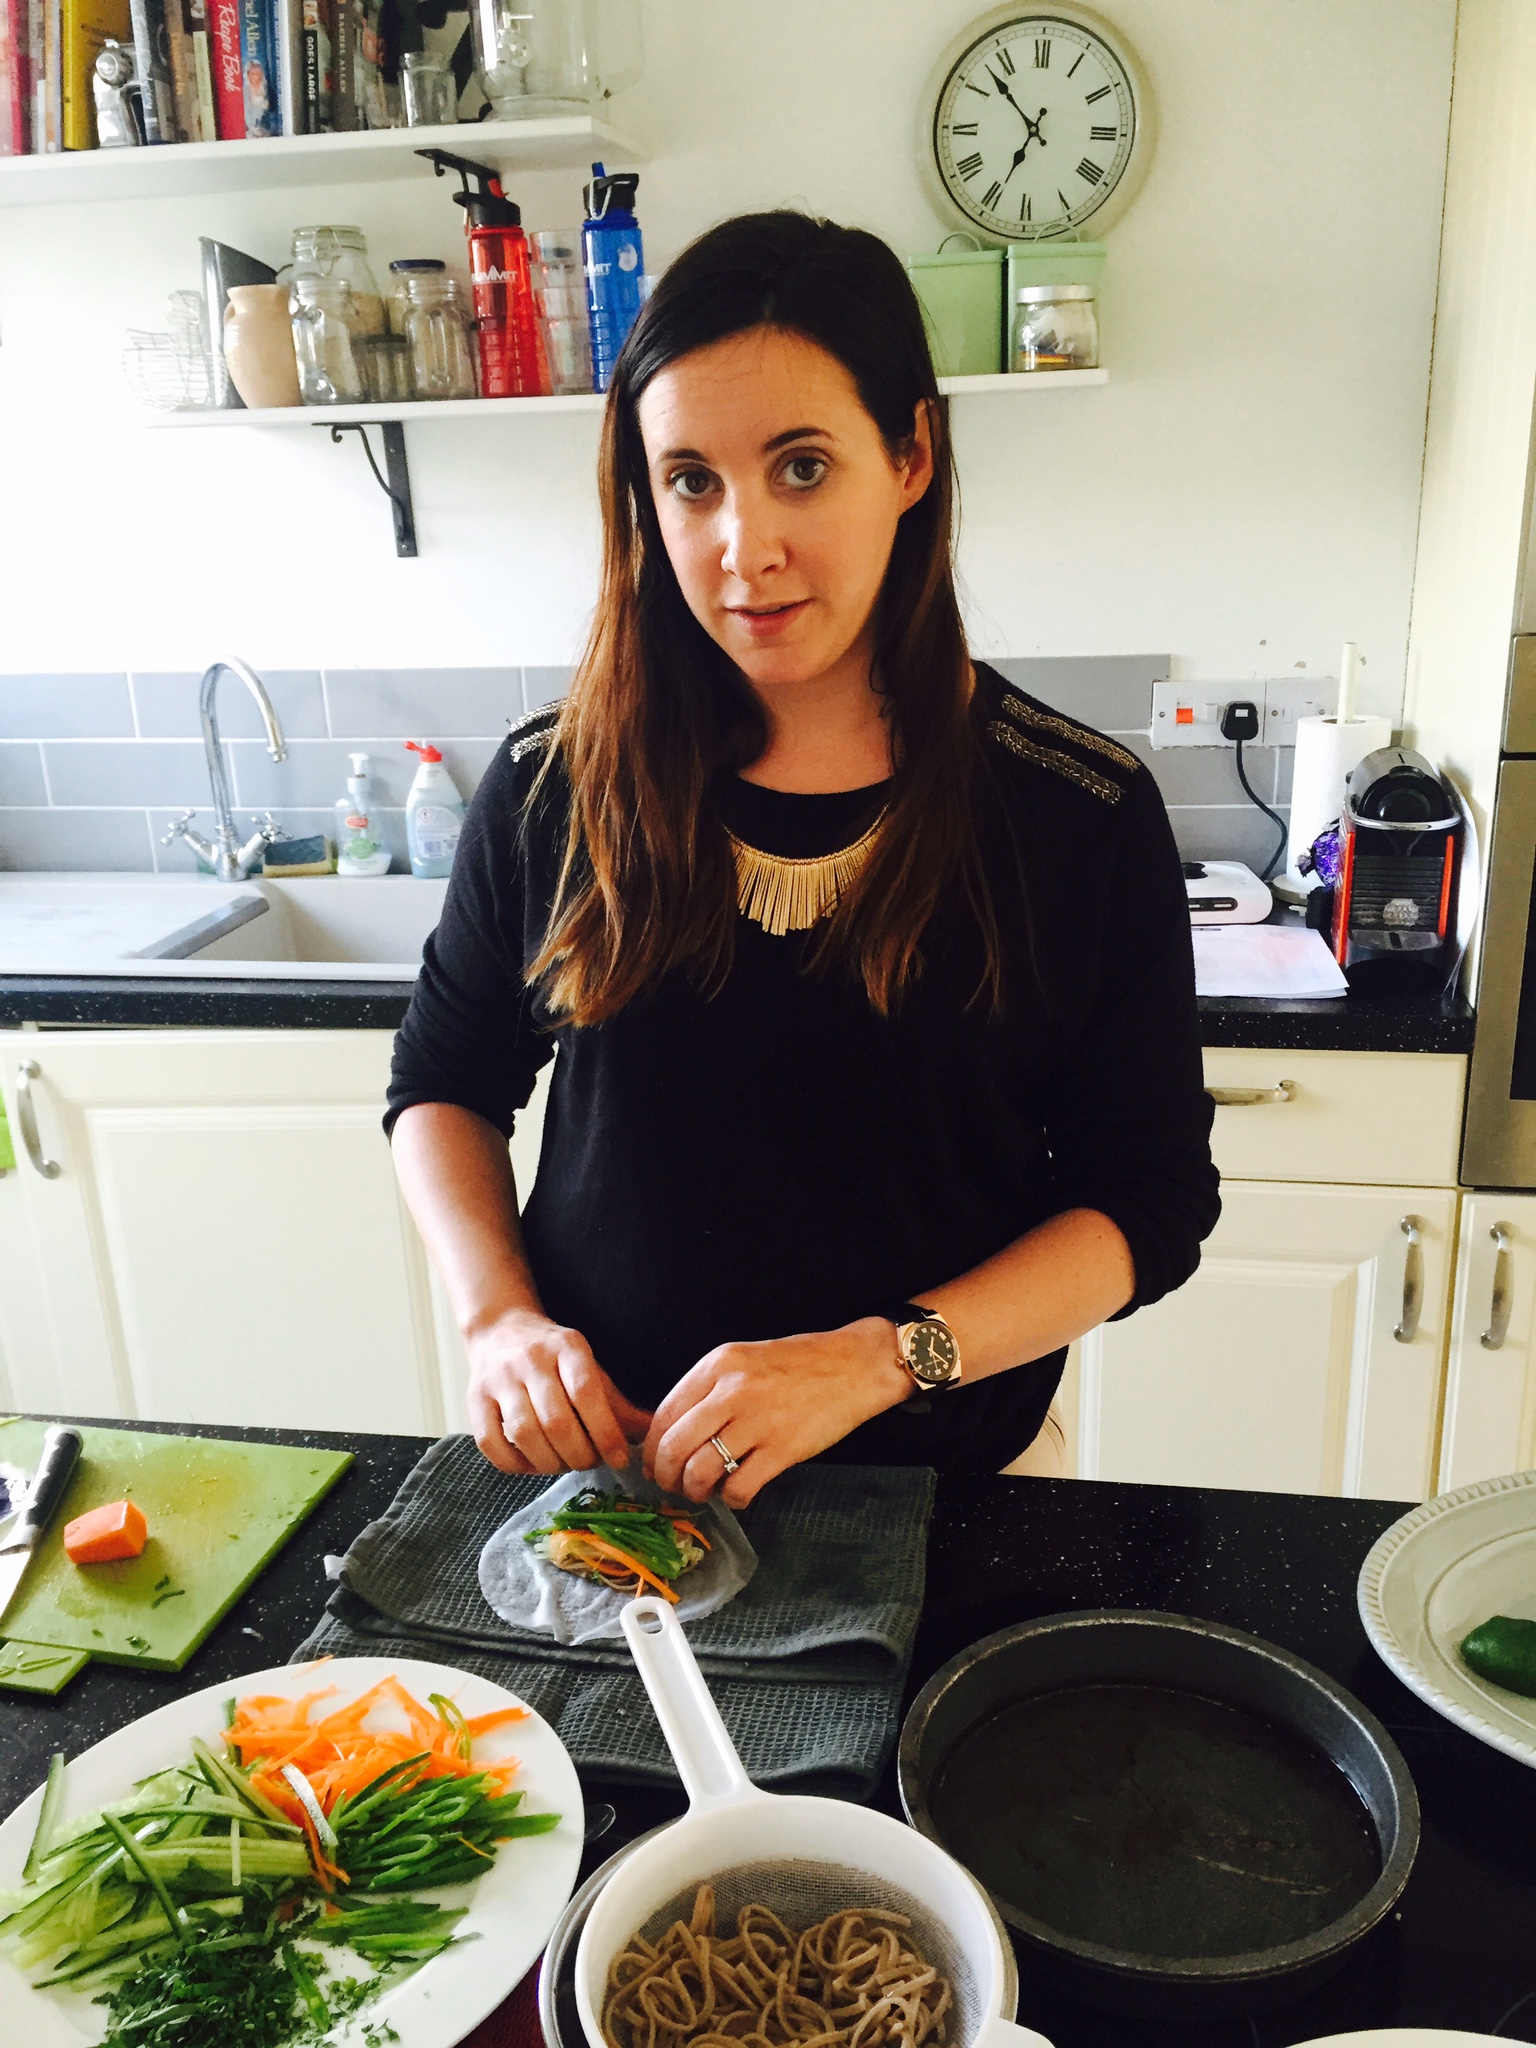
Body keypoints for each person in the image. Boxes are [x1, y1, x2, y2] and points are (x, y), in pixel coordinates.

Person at [387, 210, 1220, 1507]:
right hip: (611, 1484)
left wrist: (881, 1359)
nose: (745, 548)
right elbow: (444, 1083)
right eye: (691, 481)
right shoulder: (556, 785)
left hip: (948, 1494)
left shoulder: (1079, 813)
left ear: (910, 455)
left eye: (802, 467)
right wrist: (497, 1319)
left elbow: (1148, 1203)